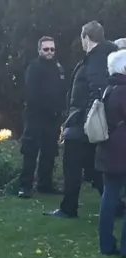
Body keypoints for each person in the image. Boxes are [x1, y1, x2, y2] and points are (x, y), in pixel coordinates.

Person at [45, 21, 118, 218]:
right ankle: (116, 206)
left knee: (72, 167)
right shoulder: (104, 57)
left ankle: (69, 208)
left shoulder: (94, 59)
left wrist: (87, 119)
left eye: (82, 38)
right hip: (86, 124)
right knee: (94, 170)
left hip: (81, 126)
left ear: (86, 37)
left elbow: (97, 91)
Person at [18, 36, 67, 198]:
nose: (49, 52)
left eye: (52, 49)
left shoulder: (58, 68)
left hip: (52, 118)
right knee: (31, 151)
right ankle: (25, 186)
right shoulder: (34, 67)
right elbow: (33, 93)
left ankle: (45, 185)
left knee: (49, 151)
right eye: (46, 49)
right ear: (39, 50)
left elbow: (62, 91)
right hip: (35, 116)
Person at [95, 50, 126, 255]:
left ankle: (106, 244)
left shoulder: (108, 89)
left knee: (109, 197)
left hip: (108, 150)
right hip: (123, 150)